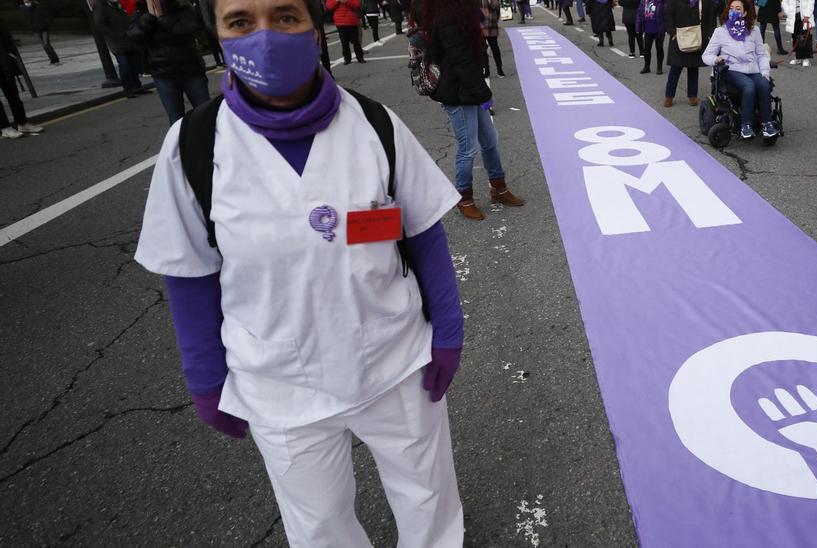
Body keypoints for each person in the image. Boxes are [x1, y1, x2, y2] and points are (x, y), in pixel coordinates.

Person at [134, 0, 467, 542]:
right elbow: (188, 273)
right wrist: (204, 377)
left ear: (315, 29)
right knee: (319, 525)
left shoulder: (375, 124)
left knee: (428, 496)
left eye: (286, 16)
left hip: (395, 362)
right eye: (241, 21)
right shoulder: (192, 146)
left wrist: (447, 331)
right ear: (217, 36)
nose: (265, 36)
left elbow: (423, 232)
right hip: (279, 384)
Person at [415, 0, 525, 219]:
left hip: (468, 86)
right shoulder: (447, 15)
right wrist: (483, 93)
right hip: (457, 91)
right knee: (468, 148)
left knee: (490, 141)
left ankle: (499, 188)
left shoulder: (460, 11)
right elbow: (460, 60)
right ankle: (464, 197)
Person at [128, 0, 212, 124]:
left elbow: (192, 29)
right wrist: (147, 21)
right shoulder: (140, 13)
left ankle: (213, 141)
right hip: (163, 73)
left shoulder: (182, 8)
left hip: (191, 69)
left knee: (205, 113)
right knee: (175, 119)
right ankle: (181, 142)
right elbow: (134, 37)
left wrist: (162, 19)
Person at [703, 0, 777, 140]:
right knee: (749, 86)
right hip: (732, 69)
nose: (734, 11)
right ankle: (746, 126)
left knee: (763, 84)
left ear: (744, 12)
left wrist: (765, 72)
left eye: (738, 8)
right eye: (731, 8)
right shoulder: (720, 32)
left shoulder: (754, 31)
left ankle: (767, 124)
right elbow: (706, 55)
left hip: (752, 69)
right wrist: (715, 60)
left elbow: (761, 55)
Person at [664, 0, 717, 107]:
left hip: (697, 37)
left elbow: (711, 17)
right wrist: (672, 31)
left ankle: (692, 96)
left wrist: (709, 34)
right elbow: (668, 15)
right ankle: (669, 96)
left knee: (693, 68)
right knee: (675, 68)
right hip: (679, 37)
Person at [94, 0, 147, 97]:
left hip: (127, 37)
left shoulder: (116, 3)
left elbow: (124, 16)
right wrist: (114, 35)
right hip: (116, 41)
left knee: (134, 63)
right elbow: (99, 23)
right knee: (125, 64)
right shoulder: (101, 4)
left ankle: (137, 86)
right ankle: (128, 89)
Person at [1, 22, 43, 139]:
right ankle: (4, 128)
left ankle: (22, 123)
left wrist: (11, 51)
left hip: (3, 60)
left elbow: (4, 34)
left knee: (13, 94)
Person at [19, 0, 60, 65]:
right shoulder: (24, 8)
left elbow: (46, 15)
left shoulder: (37, 6)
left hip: (44, 28)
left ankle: (55, 59)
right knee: (44, 45)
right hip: (35, 30)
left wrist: (47, 23)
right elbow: (27, 19)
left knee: (46, 44)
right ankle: (52, 59)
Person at [782, 0, 812, 66]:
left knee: (804, 36)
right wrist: (788, 11)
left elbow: (811, 2)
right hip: (793, 16)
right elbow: (784, 2)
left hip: (804, 15)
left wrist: (807, 14)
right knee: (794, 37)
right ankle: (797, 57)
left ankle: (805, 58)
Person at [638, 0, 666, 73]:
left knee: (659, 48)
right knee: (646, 49)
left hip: (659, 29)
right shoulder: (643, 1)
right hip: (647, 29)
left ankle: (659, 67)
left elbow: (667, 13)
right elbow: (639, 14)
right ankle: (647, 67)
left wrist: (666, 27)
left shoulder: (661, 1)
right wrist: (638, 27)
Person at [480, 0, 505, 77]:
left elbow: (497, 10)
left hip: (491, 26)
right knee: (482, 50)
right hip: (481, 27)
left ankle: (499, 69)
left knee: (495, 49)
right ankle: (486, 70)